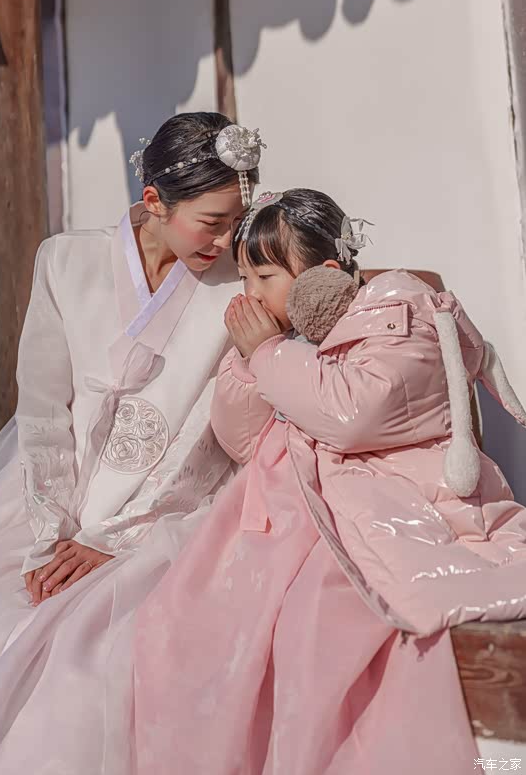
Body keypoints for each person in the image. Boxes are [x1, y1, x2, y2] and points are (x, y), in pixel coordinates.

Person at [0, 111, 265, 775]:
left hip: (164, 509)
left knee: (88, 658)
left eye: (237, 219)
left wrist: (110, 536)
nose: (228, 238)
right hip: (50, 495)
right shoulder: (64, 261)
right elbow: (42, 406)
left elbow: (203, 432)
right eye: (212, 221)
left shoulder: (238, 282)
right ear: (154, 201)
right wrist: (51, 532)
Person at [133, 187, 526, 774]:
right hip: (308, 512)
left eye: (265, 278)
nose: (251, 294)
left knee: (317, 623)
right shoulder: (292, 344)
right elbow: (243, 439)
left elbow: (351, 412)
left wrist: (270, 354)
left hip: (404, 504)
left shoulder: (403, 320)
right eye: (245, 278)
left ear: (324, 277)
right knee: (179, 621)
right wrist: (246, 361)